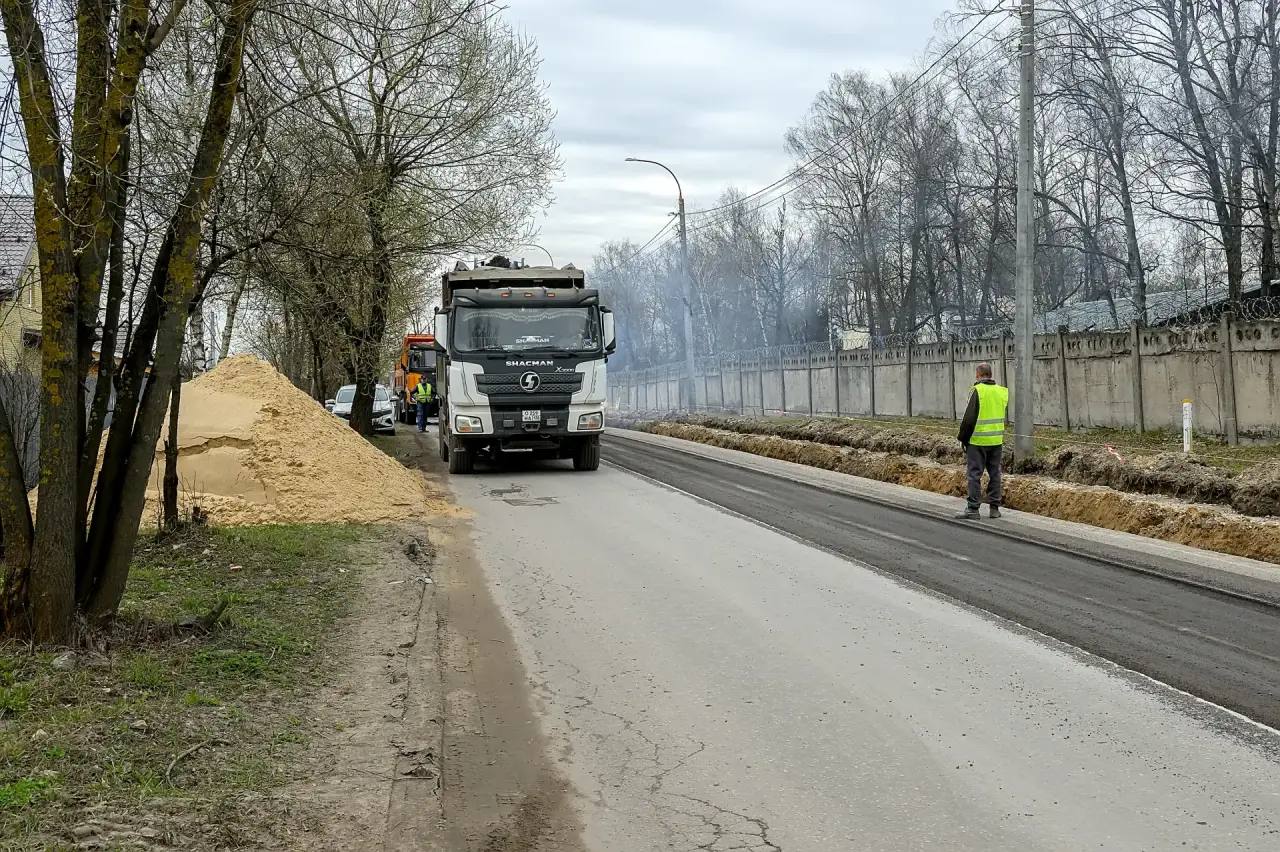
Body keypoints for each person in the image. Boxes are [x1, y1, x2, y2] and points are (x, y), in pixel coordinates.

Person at [956, 362, 1008, 520]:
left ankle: (973, 509)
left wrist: (963, 438)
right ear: (990, 375)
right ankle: (994, 509)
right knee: (995, 474)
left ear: (978, 375)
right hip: (996, 441)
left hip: (977, 441)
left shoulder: (978, 391)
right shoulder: (1002, 391)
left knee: (974, 475)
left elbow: (969, 419)